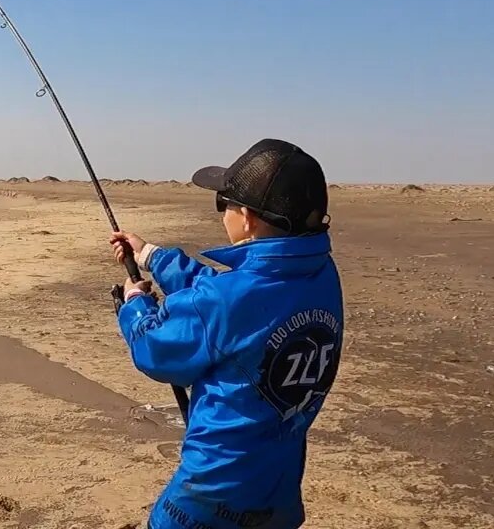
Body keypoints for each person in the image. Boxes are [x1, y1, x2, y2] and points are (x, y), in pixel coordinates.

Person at [110, 139, 343, 529]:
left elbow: (154, 348)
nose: (223, 212)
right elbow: (229, 301)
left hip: (211, 494)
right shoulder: (319, 275)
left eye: (224, 202)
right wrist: (151, 255)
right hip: (279, 487)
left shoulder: (227, 300)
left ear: (247, 217)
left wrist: (135, 303)